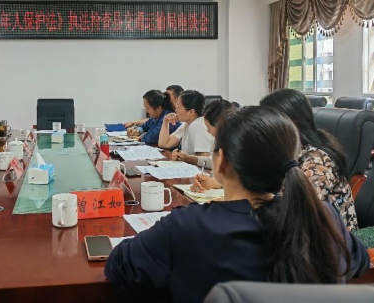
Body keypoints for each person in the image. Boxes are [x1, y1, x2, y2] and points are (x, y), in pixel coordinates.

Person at [105, 106, 369, 303]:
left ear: (221, 161)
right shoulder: (322, 216)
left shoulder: (187, 225)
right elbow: (357, 263)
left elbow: (118, 266)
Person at [259, 88, 359, 231]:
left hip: (332, 239)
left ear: (291, 123)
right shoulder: (286, 150)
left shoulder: (318, 162)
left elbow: (298, 214)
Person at [158, 90, 214, 164]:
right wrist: (166, 121)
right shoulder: (186, 124)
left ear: (191, 112)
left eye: (178, 107)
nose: (175, 110)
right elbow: (164, 144)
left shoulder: (198, 126)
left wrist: (186, 158)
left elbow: (205, 161)